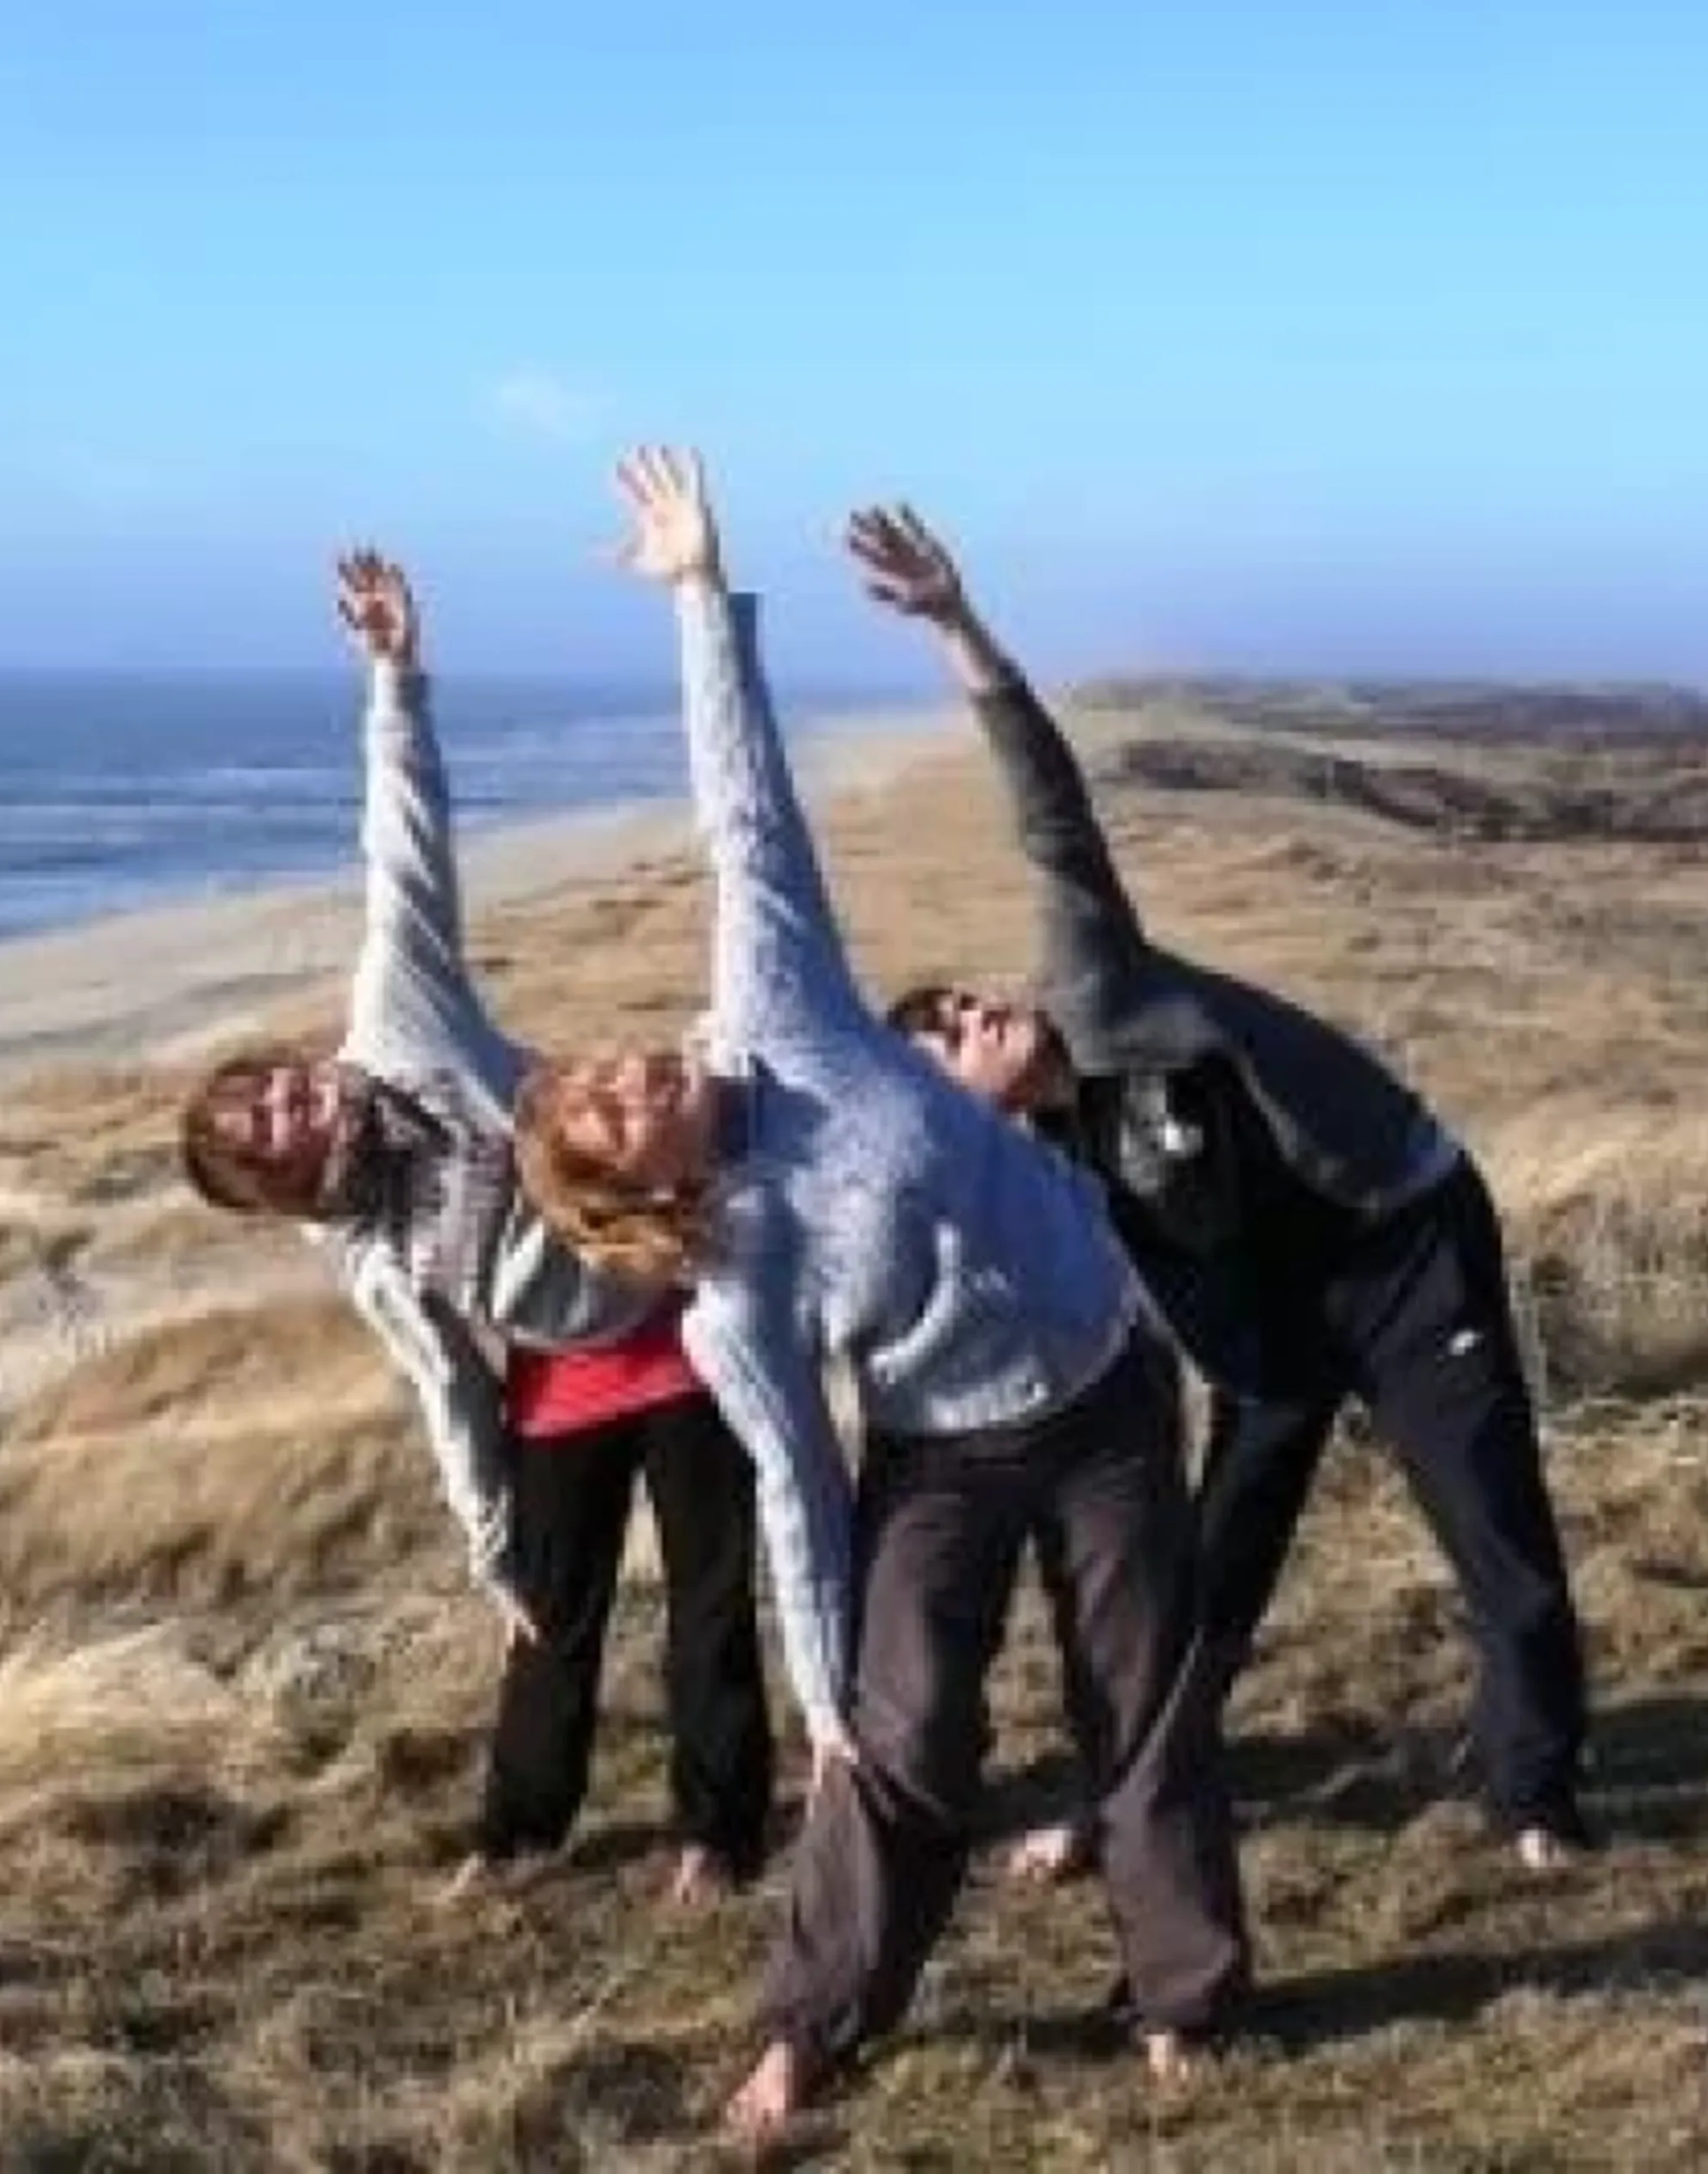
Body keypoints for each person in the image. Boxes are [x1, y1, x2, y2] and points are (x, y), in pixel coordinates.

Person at [509, 450, 1250, 2144]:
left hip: (1109, 1384)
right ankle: (814, 2024)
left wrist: (702, 596)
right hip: (945, 1453)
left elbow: (743, 808)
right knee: (898, 1739)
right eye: (605, 1108)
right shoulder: (727, 1289)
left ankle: (1186, 1993)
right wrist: (826, 1693)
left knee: (1139, 1698)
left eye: (609, 1065)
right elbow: (793, 1485)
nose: (627, 1065)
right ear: (635, 1189)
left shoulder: (783, 1013)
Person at [847, 503, 1600, 1874]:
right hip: (1271, 1340)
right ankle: (1121, 1802)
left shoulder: (1096, 992)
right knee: (1198, 1585)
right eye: (952, 1034)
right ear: (955, 1103)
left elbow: (1050, 817)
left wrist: (961, 628)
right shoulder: (1022, 1177)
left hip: (1404, 1242)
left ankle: (1535, 1793)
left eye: (962, 997)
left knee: (1492, 1523)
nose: (981, 1010)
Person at [178, 549, 772, 1902]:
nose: (289, 1096)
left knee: (710, 1605)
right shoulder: (368, 1253)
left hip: (678, 1319)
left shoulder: (399, 1028)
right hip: (559, 1385)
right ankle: (518, 1840)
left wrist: (393, 677)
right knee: (547, 1628)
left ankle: (718, 1835)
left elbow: (403, 852)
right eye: (267, 1126)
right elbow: (448, 1384)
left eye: (268, 1084)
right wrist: (492, 1550)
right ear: (285, 1186)